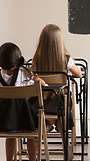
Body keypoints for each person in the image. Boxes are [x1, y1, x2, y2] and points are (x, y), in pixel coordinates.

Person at [0, 42, 46, 161]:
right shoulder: (25, 74)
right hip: (24, 119)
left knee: (10, 136)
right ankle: (32, 159)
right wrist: (34, 76)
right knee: (32, 136)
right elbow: (42, 84)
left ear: (0, 61)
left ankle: (9, 160)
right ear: (17, 59)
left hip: (3, 121)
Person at [31, 24, 82, 159]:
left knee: (48, 116)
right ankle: (65, 140)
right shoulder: (65, 59)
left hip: (39, 102)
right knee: (61, 113)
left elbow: (33, 76)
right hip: (59, 102)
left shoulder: (36, 58)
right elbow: (79, 74)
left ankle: (41, 136)